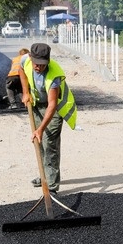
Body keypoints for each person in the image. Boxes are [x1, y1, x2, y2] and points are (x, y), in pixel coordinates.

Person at [19, 43, 78, 193]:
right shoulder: (25, 59)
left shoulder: (54, 74)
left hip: (55, 108)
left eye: (43, 65)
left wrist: (41, 128)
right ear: (31, 57)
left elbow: (52, 105)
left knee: (49, 143)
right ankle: (44, 176)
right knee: (39, 142)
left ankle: (51, 187)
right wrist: (25, 92)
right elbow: (20, 69)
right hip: (37, 104)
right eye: (36, 64)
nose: (39, 68)